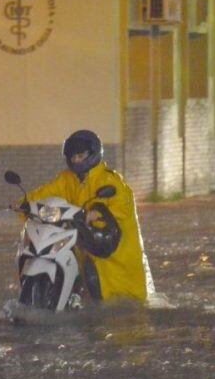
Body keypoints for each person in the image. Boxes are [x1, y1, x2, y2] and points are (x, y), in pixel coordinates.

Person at [23, 129, 151, 302]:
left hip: (113, 252)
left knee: (119, 302)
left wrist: (98, 213)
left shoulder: (110, 181)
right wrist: (25, 203)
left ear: (92, 153)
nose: (76, 159)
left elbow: (121, 205)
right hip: (86, 246)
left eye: (81, 154)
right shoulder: (67, 179)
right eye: (73, 156)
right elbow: (46, 192)